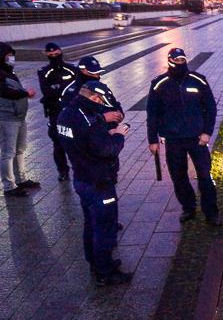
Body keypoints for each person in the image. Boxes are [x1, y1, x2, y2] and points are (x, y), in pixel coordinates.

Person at [57, 80, 132, 286]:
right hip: (99, 181)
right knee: (105, 227)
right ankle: (105, 272)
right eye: (101, 101)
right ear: (95, 98)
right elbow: (107, 151)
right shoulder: (89, 122)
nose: (102, 105)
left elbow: (81, 140)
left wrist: (101, 134)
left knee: (90, 223)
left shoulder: (67, 114)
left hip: (81, 178)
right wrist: (117, 136)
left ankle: (95, 262)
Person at [146, 48, 221, 226]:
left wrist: (207, 132)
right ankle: (188, 207)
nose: (180, 63)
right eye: (176, 60)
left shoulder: (198, 80)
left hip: (197, 138)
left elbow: (211, 107)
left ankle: (211, 212)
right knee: (178, 176)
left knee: (205, 176)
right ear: (170, 61)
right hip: (173, 139)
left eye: (182, 60)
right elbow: (152, 113)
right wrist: (152, 140)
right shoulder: (159, 83)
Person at [0, 42, 41, 197]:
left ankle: (20, 179)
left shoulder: (9, 72)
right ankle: (9, 186)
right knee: (8, 153)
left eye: (12, 55)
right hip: (6, 118)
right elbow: (6, 91)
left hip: (19, 117)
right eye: (8, 55)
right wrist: (24, 93)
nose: (12, 58)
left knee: (20, 150)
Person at [37, 42, 78, 181]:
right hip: (55, 111)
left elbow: (76, 88)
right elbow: (47, 91)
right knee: (58, 143)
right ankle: (62, 170)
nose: (55, 56)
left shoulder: (72, 69)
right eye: (51, 55)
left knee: (77, 141)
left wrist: (58, 87)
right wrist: (63, 89)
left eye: (57, 54)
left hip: (72, 111)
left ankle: (80, 168)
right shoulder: (44, 72)